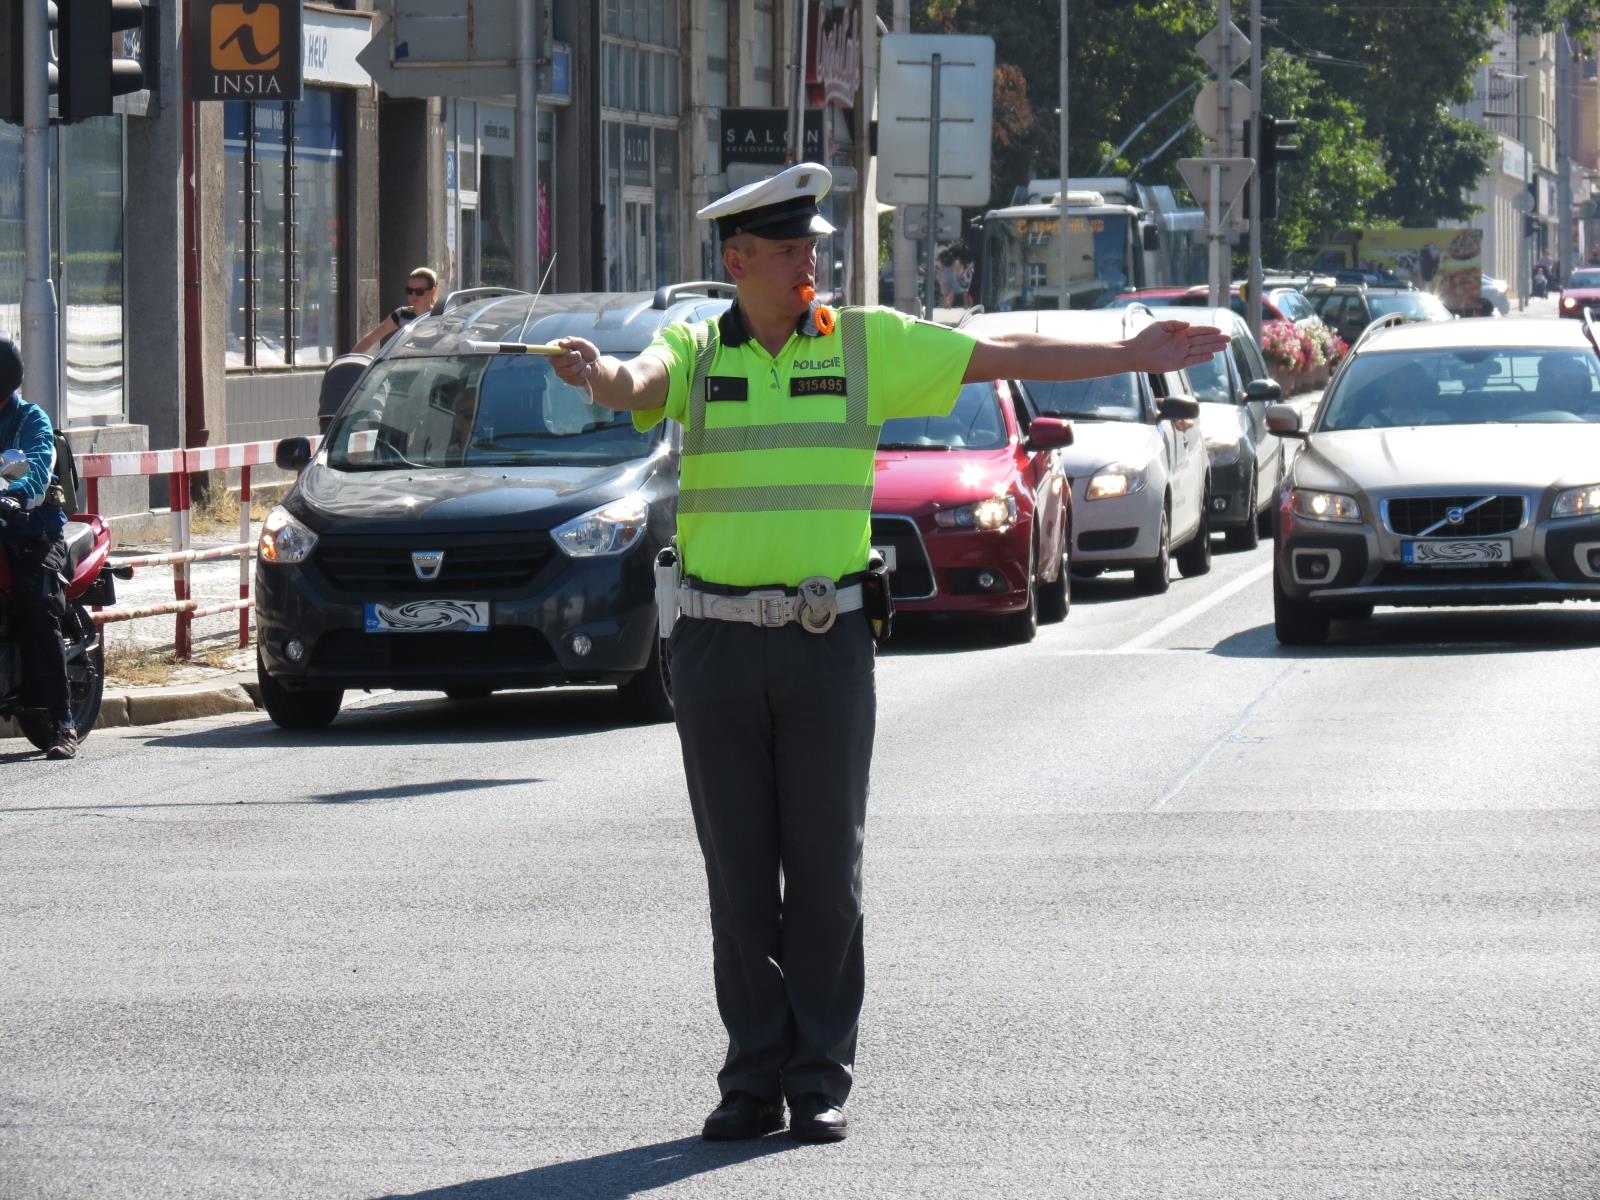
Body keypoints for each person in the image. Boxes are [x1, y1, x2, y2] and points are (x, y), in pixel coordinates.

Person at [550, 162, 1227, 1145]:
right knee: (739, 879)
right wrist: (596, 375)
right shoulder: (696, 346)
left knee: (825, 872)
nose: (808, 263)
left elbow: (1002, 348)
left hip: (825, 647)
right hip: (714, 648)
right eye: (788, 250)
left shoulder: (861, 344)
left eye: (812, 247)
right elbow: (638, 383)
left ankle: (818, 1073)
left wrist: (1132, 341)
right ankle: (750, 1079)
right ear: (737, 260)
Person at [0, 336, 75, 760]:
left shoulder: (31, 419)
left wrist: (16, 495)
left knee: (35, 602)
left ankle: (63, 718)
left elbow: (37, 464)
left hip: (33, 531)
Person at [352, 267, 439, 355]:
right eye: (409, 290)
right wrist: (350, 360)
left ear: (432, 292)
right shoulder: (401, 314)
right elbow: (370, 339)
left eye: (419, 291)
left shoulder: (441, 315)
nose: (413, 295)